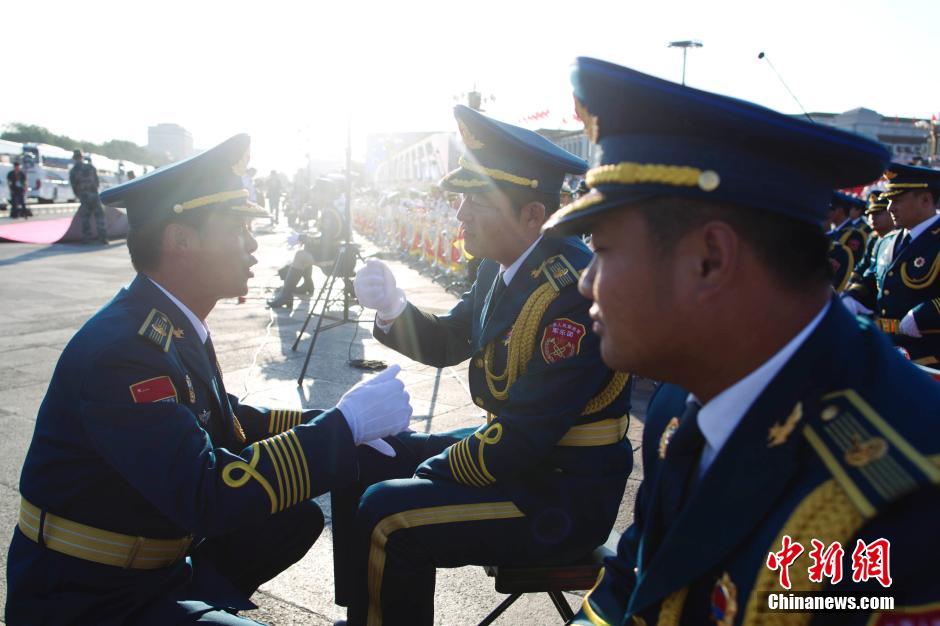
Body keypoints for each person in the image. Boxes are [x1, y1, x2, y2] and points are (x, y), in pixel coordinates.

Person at [542, 57, 939, 625]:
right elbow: (629, 592)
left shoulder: (906, 496)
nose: (585, 282)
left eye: (601, 250)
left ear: (710, 259)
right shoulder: (681, 405)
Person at [6, 134, 414, 625]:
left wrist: (338, 420)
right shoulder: (126, 352)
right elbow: (206, 493)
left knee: (294, 517)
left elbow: (224, 417)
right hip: (90, 597)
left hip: (152, 566)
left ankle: (208, 600)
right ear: (181, 239)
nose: (252, 242)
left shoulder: (167, 320)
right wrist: (341, 429)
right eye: (239, 226)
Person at [331, 104, 634, 626]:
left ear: (533, 215)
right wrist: (393, 310)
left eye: (476, 200)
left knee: (389, 510)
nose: (460, 214)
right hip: (524, 462)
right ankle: (368, 611)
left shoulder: (571, 288)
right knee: (362, 454)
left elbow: (522, 436)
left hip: (560, 493)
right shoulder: (505, 266)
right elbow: (451, 340)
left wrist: (430, 472)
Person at [844, 162, 940, 366]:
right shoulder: (886, 241)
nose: (890, 208)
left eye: (897, 200)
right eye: (889, 200)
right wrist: (851, 298)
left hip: (931, 358)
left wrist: (927, 313)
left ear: (925, 199)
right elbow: (871, 280)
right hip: (886, 352)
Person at [69, 149, 108, 244]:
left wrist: (79, 195)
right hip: (94, 194)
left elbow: (74, 185)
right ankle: (103, 238)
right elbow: (97, 181)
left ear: (74, 158)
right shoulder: (90, 167)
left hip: (84, 195)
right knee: (100, 216)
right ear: (82, 157)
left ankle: (87, 238)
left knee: (85, 217)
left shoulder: (73, 171)